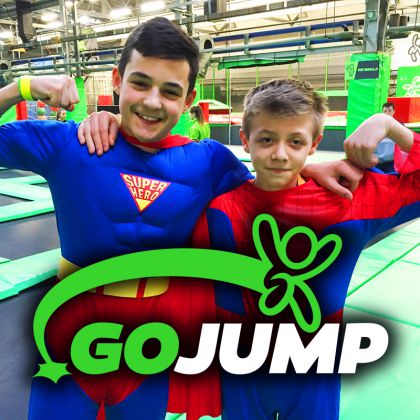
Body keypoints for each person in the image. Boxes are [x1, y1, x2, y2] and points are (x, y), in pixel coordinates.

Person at [0, 18, 363, 420]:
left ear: (189, 99)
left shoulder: (208, 161)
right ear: (117, 81)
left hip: (151, 342)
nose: (153, 102)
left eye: (170, 91)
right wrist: (21, 87)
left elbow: (263, 186)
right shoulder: (70, 143)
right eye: (140, 83)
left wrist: (306, 168)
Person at [187, 79, 419, 420]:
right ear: (245, 140)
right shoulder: (219, 206)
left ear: (315, 144)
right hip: (240, 373)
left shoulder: (348, 197)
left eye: (295, 141)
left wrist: (391, 126)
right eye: (266, 139)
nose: (280, 154)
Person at [374, 101, 397, 172]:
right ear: (382, 112)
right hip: (377, 161)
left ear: (394, 112)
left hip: (392, 162)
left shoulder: (400, 126)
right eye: (385, 111)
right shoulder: (375, 127)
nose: (387, 113)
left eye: (389, 111)